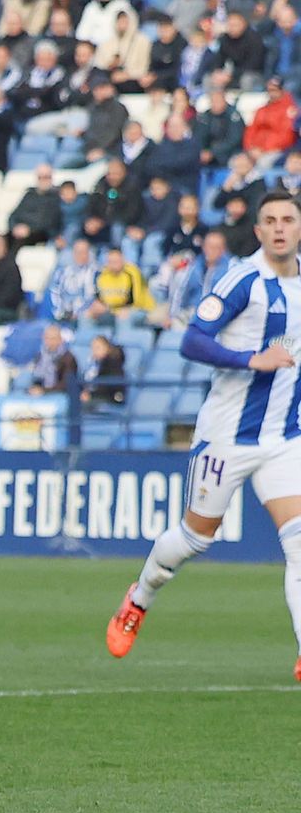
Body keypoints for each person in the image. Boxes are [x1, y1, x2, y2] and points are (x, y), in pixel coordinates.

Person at [109, 190, 301, 675]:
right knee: (195, 538)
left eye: (289, 220)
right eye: (270, 221)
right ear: (258, 231)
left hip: (284, 437)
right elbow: (192, 340)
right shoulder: (243, 281)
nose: (280, 228)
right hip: (227, 436)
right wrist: (250, 359)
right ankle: (140, 595)